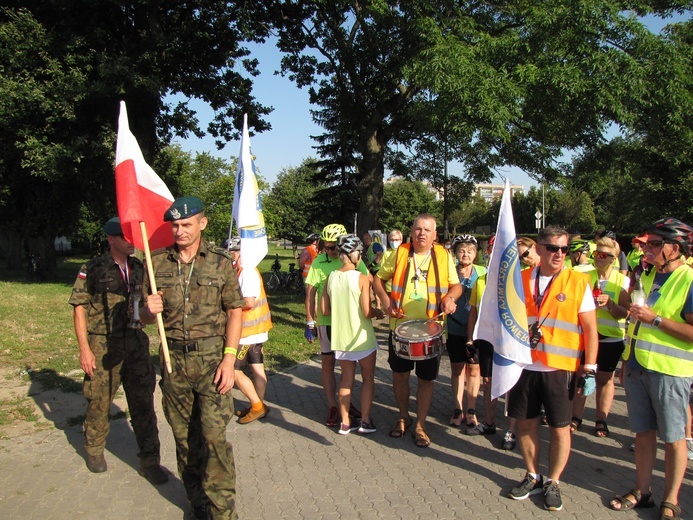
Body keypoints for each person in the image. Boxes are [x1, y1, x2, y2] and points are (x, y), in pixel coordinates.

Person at [141, 196, 245, 520]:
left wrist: (230, 360)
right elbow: (145, 318)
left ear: (203, 223)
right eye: (174, 225)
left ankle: (223, 511)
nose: (179, 230)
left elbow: (235, 310)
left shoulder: (219, 261)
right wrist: (147, 310)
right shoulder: (155, 263)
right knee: (185, 439)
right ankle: (197, 500)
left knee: (214, 438)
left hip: (213, 362)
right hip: (174, 363)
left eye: (186, 224)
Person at [506, 225, 598, 512]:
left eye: (564, 249)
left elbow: (591, 329)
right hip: (524, 365)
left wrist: (591, 367)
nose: (559, 254)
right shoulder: (519, 280)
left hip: (560, 369)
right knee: (525, 422)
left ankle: (554, 482)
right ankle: (533, 475)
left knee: (560, 428)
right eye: (553, 248)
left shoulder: (577, 282)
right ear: (540, 249)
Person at [68, 218, 167, 483]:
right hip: (103, 344)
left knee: (143, 403)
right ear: (111, 239)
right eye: (125, 237)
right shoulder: (92, 269)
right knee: (99, 401)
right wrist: (84, 349)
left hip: (135, 342)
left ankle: (150, 460)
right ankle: (94, 449)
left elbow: (149, 303)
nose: (132, 241)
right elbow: (79, 307)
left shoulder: (140, 269)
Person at [609, 217, 693, 520]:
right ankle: (642, 491)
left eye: (655, 244)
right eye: (647, 244)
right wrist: (626, 361)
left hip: (670, 371)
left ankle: (671, 499)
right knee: (643, 434)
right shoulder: (646, 275)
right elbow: (634, 321)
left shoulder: (689, 279)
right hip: (636, 365)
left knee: (673, 438)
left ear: (676, 248)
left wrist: (655, 319)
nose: (648, 249)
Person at [373, 214, 462, 448]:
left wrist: (451, 298)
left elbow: (456, 285)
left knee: (426, 379)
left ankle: (421, 424)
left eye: (427, 230)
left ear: (435, 235)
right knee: (400, 376)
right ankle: (403, 416)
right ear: (411, 231)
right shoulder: (400, 253)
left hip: (431, 328)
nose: (421, 233)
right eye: (418, 229)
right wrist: (384, 300)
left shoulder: (443, 255)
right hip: (400, 327)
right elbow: (378, 279)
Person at [305, 223, 369, 426]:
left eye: (333, 247)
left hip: (350, 321)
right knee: (328, 363)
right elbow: (310, 294)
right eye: (326, 246)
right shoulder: (319, 261)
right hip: (327, 322)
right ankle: (333, 405)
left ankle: (346, 404)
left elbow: (368, 281)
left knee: (347, 367)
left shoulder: (353, 259)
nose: (329, 251)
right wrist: (309, 321)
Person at [321, 234, 384, 434]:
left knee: (346, 380)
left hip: (341, 337)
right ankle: (365, 421)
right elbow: (367, 312)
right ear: (356, 254)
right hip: (362, 336)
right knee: (367, 378)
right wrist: (379, 312)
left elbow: (324, 309)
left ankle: (345, 422)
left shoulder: (330, 277)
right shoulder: (361, 278)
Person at [570, 235, 630, 436]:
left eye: (604, 255)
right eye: (597, 253)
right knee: (581, 374)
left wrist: (611, 305)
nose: (599, 257)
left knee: (605, 379)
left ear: (614, 258)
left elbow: (626, 313)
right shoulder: (586, 276)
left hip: (611, 337)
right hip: (587, 334)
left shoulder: (622, 280)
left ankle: (601, 419)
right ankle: (576, 416)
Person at [222, 237, 272, 425]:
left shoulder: (247, 272)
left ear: (237, 252)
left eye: (229, 254)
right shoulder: (243, 270)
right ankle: (257, 405)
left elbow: (249, 302)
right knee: (257, 368)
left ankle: (257, 406)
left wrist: (227, 303)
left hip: (247, 333)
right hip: (255, 331)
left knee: (234, 371)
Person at [467, 271, 518, 450]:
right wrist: (470, 339)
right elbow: (474, 311)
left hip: (508, 339)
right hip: (487, 339)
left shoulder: (513, 277)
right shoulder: (481, 280)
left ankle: (511, 430)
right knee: (488, 382)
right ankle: (489, 423)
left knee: (510, 383)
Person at [445, 235, 486, 430]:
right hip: (454, 326)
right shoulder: (450, 273)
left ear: (476, 253)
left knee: (474, 369)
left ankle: (471, 409)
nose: (466, 254)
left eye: (470, 250)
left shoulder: (483, 272)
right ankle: (457, 407)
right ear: (455, 253)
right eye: (462, 250)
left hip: (477, 329)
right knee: (457, 369)